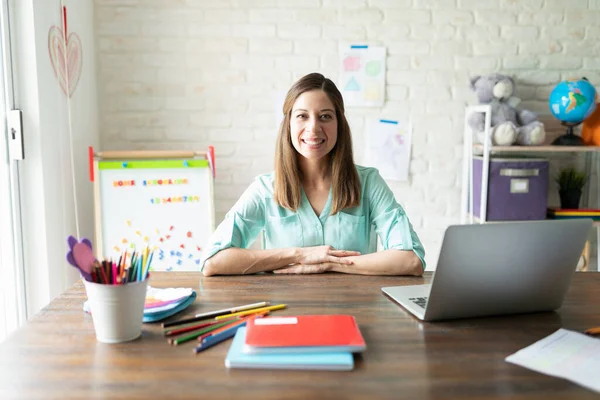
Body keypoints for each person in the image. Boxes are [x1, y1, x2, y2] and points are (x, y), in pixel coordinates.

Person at [200, 72, 425, 276]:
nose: (314, 128)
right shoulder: (265, 189)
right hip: (286, 313)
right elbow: (213, 261)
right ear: (288, 124)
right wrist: (299, 255)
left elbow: (411, 259)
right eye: (302, 116)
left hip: (356, 313)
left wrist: (329, 262)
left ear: (339, 124)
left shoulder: (368, 183)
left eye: (325, 116)